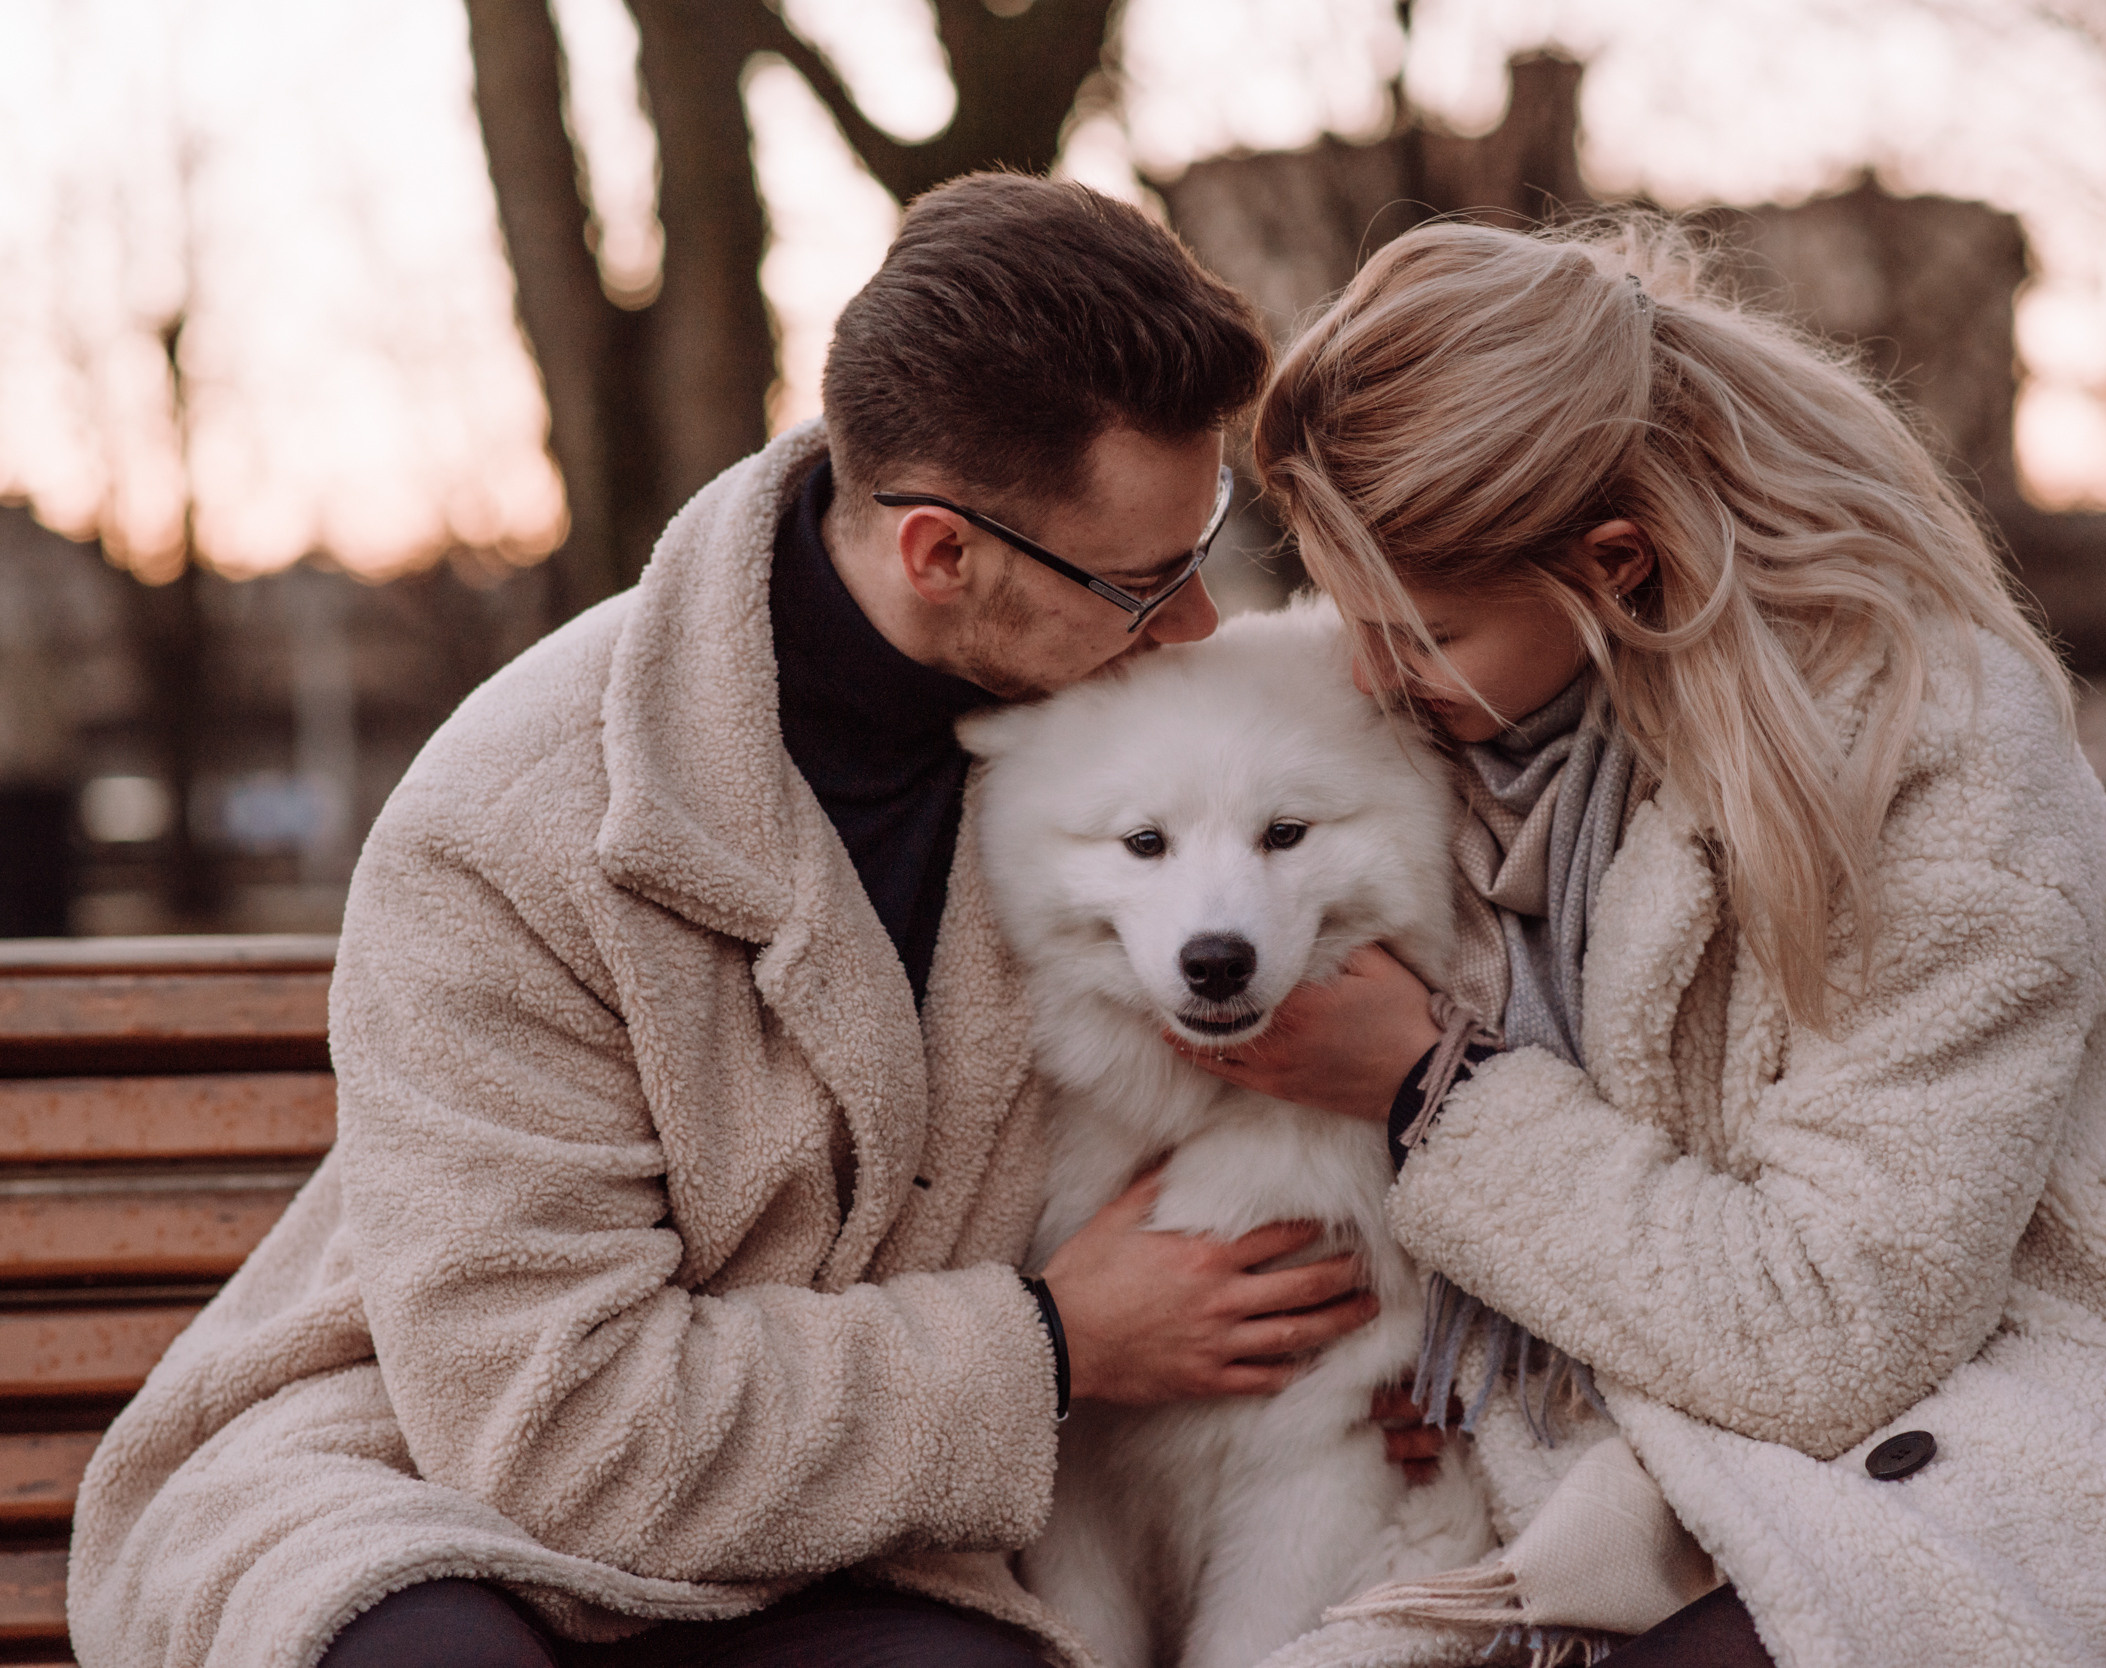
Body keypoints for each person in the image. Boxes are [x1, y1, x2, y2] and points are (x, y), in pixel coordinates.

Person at [68, 174, 1393, 1668]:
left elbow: (1416, 949)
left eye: (1202, 550)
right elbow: (551, 1428)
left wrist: (1434, 1372)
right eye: (1149, 583)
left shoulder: (1118, 744)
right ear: (941, 555)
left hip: (873, 1535)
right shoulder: (512, 826)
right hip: (434, 1484)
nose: (1199, 627)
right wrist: (1052, 1346)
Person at [1188, 214, 2106, 1668]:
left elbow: (1840, 1332)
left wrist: (1433, 1092)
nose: (1369, 676)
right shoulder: (1450, 756)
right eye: (1348, 617)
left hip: (1997, 1467)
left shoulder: (1924, 757)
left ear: (1613, 567)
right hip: (1623, 1459)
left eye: (1420, 634)